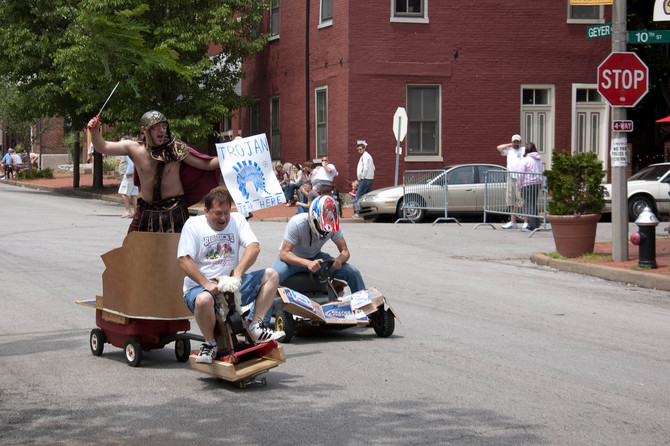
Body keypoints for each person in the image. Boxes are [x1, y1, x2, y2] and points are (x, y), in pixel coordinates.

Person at [177, 187, 285, 364]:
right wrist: (205, 283)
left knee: (271, 275)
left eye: (226, 212)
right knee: (204, 299)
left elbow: (253, 247)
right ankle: (210, 344)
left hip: (231, 286)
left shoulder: (237, 219)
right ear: (206, 211)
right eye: (218, 213)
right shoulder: (193, 225)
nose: (223, 218)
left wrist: (238, 273)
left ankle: (256, 326)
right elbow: (183, 260)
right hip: (200, 289)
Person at [87, 110, 220, 233]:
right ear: (144, 129)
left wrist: (234, 156)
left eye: (163, 126)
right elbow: (103, 147)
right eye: (156, 127)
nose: (161, 130)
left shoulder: (175, 148)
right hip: (146, 211)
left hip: (174, 212)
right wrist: (95, 131)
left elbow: (207, 164)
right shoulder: (134, 148)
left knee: (177, 255)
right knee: (131, 250)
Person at [273, 195, 366, 323]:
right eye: (321, 226)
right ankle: (260, 321)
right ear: (313, 217)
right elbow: (284, 253)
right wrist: (307, 263)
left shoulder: (333, 225)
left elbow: (345, 251)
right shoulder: (297, 223)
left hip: (316, 257)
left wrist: (339, 260)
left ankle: (364, 310)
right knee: (272, 279)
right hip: (292, 259)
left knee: (353, 272)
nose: (324, 231)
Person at [496, 134, 525, 229]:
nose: (516, 143)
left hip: (520, 178)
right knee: (511, 200)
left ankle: (526, 222)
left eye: (517, 141)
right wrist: (510, 145)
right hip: (510, 177)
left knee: (521, 201)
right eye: (514, 141)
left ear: (520, 142)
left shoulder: (523, 150)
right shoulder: (509, 151)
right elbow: (499, 147)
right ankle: (513, 221)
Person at [518, 142, 544, 231]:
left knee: (529, 205)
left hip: (527, 184)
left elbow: (520, 174)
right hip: (537, 184)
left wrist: (519, 185)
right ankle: (536, 224)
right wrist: (543, 185)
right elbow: (542, 172)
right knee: (534, 204)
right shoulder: (539, 160)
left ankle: (531, 226)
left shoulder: (525, 160)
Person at [354, 140, 375, 210]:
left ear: (364, 149)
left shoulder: (365, 156)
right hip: (369, 178)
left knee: (358, 195)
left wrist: (362, 177)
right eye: (357, 150)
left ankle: (357, 212)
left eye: (360, 149)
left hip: (365, 179)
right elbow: (373, 167)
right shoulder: (366, 156)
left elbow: (365, 168)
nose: (359, 151)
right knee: (368, 196)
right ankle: (369, 211)